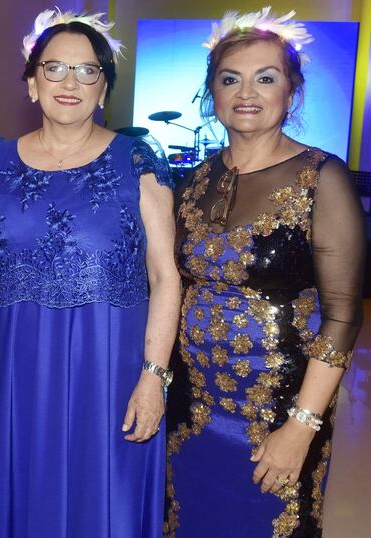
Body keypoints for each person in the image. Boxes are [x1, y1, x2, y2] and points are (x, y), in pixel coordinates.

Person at [0, 9, 179, 537]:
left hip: (108, 368)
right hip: (13, 364)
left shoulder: (137, 158)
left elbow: (165, 276)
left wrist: (153, 378)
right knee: (20, 491)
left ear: (105, 88)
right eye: (55, 68)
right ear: (31, 82)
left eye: (88, 71)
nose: (70, 83)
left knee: (102, 497)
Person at [165, 8, 365, 537]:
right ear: (212, 93)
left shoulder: (323, 178)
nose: (246, 92)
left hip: (280, 409)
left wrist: (301, 428)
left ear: (291, 92)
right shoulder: (195, 179)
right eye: (230, 79)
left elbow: (343, 317)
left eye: (266, 78)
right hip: (191, 409)